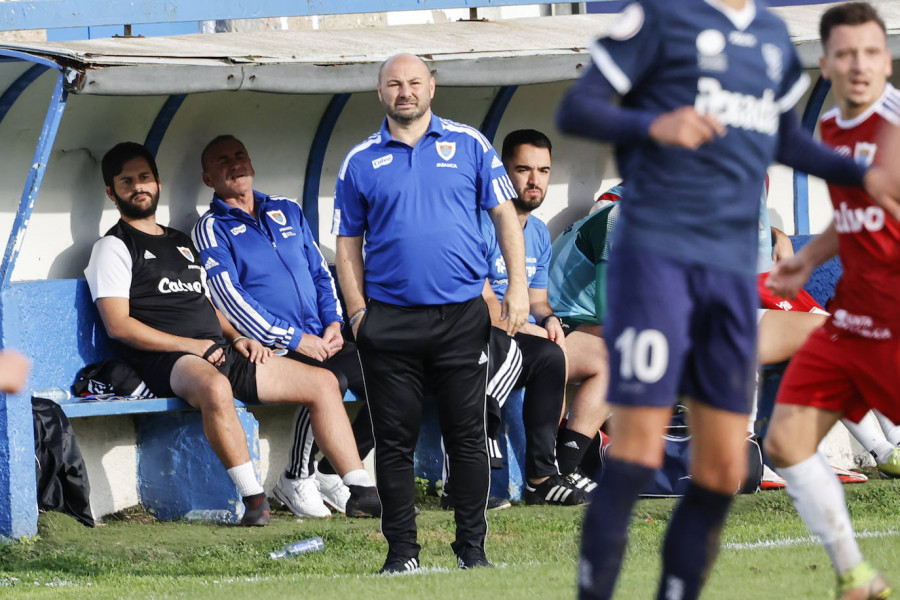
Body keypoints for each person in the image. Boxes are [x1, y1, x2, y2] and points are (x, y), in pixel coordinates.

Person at [555, 1, 896, 598]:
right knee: (634, 454)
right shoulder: (656, 23)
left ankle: (884, 446)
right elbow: (578, 107)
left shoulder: (768, 38)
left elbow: (789, 139)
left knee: (721, 470)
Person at [84, 142, 380, 527]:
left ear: (158, 182)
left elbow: (207, 304)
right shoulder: (113, 246)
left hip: (219, 349)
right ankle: (254, 500)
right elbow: (118, 325)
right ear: (112, 192)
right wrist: (193, 346)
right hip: (169, 358)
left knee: (323, 383)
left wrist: (239, 336)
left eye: (144, 178)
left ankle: (361, 491)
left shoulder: (179, 241)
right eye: (127, 181)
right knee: (216, 389)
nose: (138, 187)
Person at [333, 53, 529, 573]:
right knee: (394, 444)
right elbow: (347, 246)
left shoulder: (469, 144)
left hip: (460, 317)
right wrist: (357, 315)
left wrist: (518, 289)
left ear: (432, 88)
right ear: (380, 93)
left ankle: (472, 550)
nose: (405, 92)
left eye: (414, 82)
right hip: (389, 322)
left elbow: (506, 218)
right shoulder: (359, 160)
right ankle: (402, 555)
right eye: (394, 84)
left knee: (467, 437)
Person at [765, 4, 898, 597]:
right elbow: (854, 219)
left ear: (886, 60)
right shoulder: (834, 132)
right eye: (846, 54)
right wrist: (806, 259)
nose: (860, 65)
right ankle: (856, 575)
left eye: (871, 53)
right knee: (788, 443)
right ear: (827, 65)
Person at [192, 135, 374, 518]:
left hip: (322, 335)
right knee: (330, 381)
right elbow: (229, 297)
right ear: (209, 178)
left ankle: (329, 473)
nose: (235, 164)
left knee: (391, 378)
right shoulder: (211, 228)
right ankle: (297, 477)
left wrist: (334, 323)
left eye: (240, 155)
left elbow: (319, 273)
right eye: (223, 161)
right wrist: (294, 338)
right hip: (273, 346)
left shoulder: (287, 209)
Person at [480, 128, 604, 504]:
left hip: (523, 332)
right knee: (549, 356)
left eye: (544, 171)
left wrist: (548, 320)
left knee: (613, 355)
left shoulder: (535, 231)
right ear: (503, 173)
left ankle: (561, 469)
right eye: (523, 169)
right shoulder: (479, 223)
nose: (535, 181)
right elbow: (482, 306)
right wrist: (532, 328)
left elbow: (537, 300)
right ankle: (540, 475)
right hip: (484, 333)